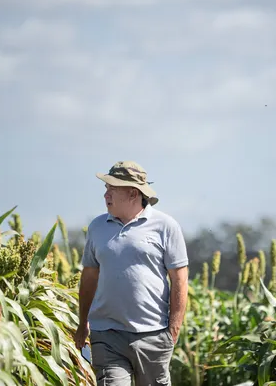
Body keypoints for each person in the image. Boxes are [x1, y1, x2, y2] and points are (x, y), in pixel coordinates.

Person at [73, 161, 189, 386]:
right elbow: (89, 277)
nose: (106, 195)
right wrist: (83, 322)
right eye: (106, 189)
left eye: (112, 189)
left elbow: (180, 280)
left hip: (154, 334)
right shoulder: (97, 227)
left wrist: (173, 330)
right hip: (107, 334)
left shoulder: (166, 226)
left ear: (133, 193)